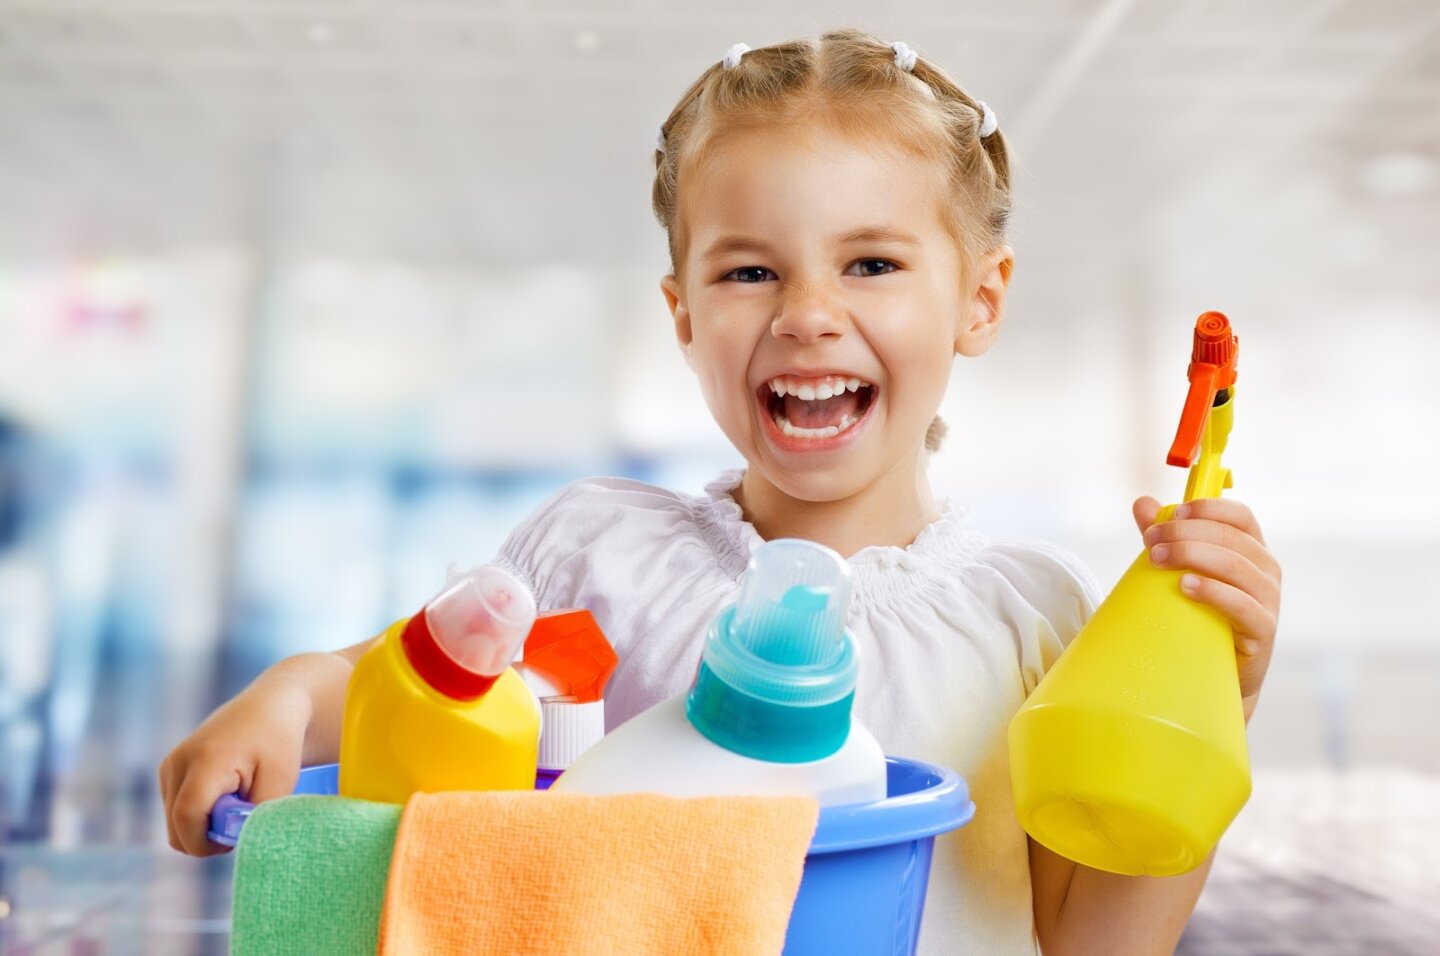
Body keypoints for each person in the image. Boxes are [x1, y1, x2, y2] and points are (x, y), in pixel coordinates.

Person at [160, 30, 1283, 954]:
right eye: (749, 270)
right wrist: (287, 693)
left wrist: (1205, 709)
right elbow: (410, 686)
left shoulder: (1031, 616)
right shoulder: (599, 557)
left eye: (872, 263)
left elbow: (1091, 941)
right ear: (684, 311)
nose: (805, 312)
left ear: (979, 301)